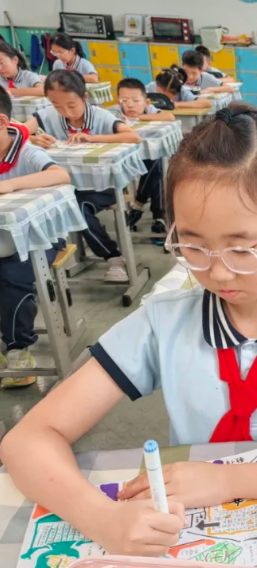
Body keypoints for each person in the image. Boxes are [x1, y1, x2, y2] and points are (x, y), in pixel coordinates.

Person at [0, 104, 257, 557]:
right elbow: (27, 440)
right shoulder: (163, 322)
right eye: (193, 246)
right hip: (194, 538)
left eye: (243, 249)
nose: (217, 273)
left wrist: (229, 480)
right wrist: (102, 519)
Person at [25, 71, 141, 282]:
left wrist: (92, 138)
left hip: (103, 185)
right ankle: (51, 263)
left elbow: (133, 136)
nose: (66, 112)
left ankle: (114, 258)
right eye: (57, 105)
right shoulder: (47, 115)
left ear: (84, 97)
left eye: (71, 105)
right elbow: (19, 133)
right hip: (67, 186)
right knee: (46, 205)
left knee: (78, 208)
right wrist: (33, 139)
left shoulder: (100, 116)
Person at [0, 86, 72, 388]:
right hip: (4, 237)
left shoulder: (26, 151)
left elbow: (60, 175)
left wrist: (10, 185)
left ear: (2, 121)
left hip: (37, 237)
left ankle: (18, 347)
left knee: (11, 275)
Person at [115, 78, 175, 240]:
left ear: (146, 102)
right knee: (157, 164)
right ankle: (158, 217)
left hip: (146, 157)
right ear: (118, 101)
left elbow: (169, 117)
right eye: (125, 100)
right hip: (123, 159)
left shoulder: (149, 110)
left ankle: (139, 206)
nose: (130, 105)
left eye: (135, 101)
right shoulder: (113, 112)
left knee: (157, 162)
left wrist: (138, 118)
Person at [147, 67, 212, 110]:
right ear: (159, 87)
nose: (175, 96)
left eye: (175, 93)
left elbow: (206, 103)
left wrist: (175, 104)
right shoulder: (150, 87)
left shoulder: (182, 90)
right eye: (172, 92)